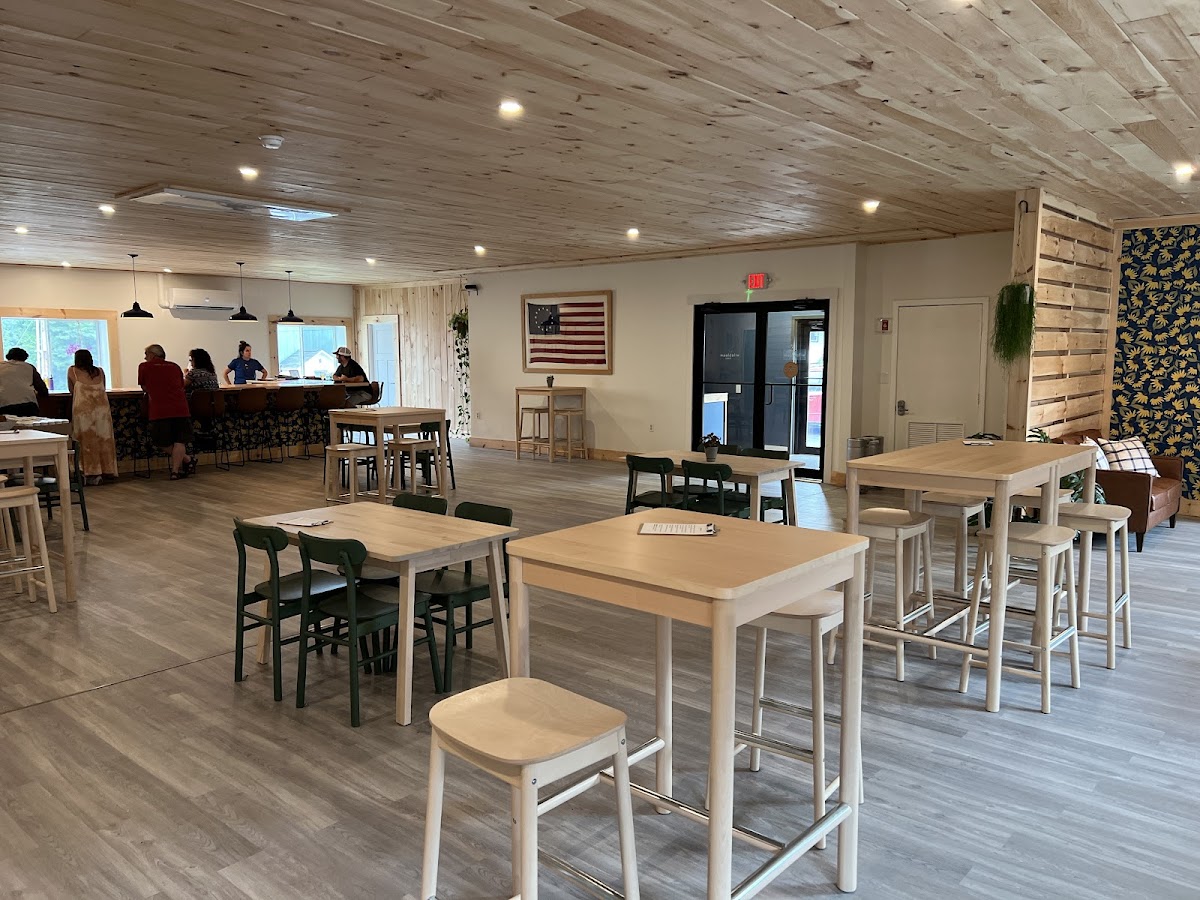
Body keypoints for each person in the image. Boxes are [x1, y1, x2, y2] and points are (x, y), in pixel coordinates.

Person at [138, 344, 195, 479]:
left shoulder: (144, 366)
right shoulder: (174, 366)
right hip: (181, 408)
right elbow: (181, 385)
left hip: (160, 409)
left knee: (159, 441)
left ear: (152, 355)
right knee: (180, 440)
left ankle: (186, 460)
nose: (145, 357)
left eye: (146, 354)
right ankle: (176, 471)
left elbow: (144, 387)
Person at [67, 349, 118, 484]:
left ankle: (88, 471)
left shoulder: (72, 371)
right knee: (104, 440)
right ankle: (107, 470)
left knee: (85, 442)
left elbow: (72, 390)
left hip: (82, 412)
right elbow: (103, 388)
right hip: (102, 412)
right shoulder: (100, 371)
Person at [0, 347, 49, 415]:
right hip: (28, 405)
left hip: (4, 404)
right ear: (24, 358)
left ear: (8, 357)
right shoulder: (29, 367)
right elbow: (42, 389)